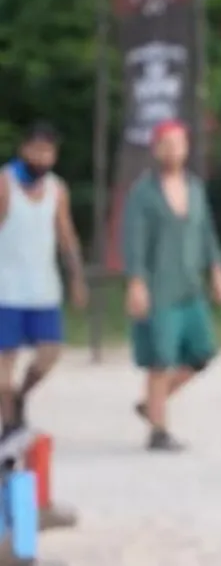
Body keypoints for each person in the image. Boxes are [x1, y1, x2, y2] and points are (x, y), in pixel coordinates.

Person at [122, 119, 221, 451]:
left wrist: (217, 269)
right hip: (160, 286)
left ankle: (151, 405)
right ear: (156, 149)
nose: (173, 151)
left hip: (190, 285)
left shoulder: (194, 188)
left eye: (178, 144)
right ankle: (158, 430)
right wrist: (136, 282)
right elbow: (134, 240)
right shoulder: (143, 193)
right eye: (166, 144)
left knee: (202, 353)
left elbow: (207, 232)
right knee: (160, 358)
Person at [0, 122, 88, 437]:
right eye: (36, 150)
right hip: (6, 289)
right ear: (23, 150)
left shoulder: (56, 189)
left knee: (50, 352)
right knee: (4, 361)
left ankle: (20, 396)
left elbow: (66, 236)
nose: (41, 158)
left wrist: (77, 277)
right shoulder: (5, 184)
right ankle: (10, 424)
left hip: (43, 288)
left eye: (47, 152)